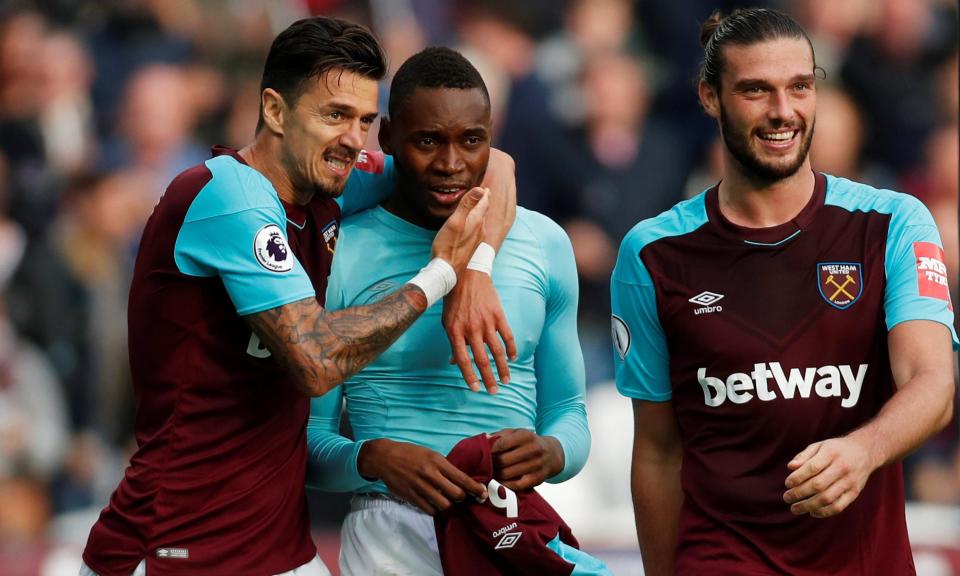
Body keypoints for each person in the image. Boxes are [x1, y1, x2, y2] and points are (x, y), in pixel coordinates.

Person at [80, 17, 517, 576]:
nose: (352, 140)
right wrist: (440, 276)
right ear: (276, 111)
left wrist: (478, 270)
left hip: (279, 550)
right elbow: (315, 361)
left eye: (363, 120)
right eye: (334, 115)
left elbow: (495, 166)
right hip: (175, 546)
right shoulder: (228, 196)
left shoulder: (329, 177)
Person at [611, 8, 957, 576]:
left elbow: (933, 384)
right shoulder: (652, 253)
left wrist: (863, 451)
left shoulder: (892, 222)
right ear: (709, 97)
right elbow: (656, 447)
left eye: (799, 87)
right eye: (755, 90)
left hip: (862, 560)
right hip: (722, 559)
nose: (783, 111)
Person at [306, 47, 606, 576]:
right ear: (389, 139)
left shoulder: (545, 243)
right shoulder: (341, 251)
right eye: (428, 141)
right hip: (389, 534)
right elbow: (308, 442)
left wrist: (551, 453)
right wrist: (371, 459)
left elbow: (570, 413)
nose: (451, 164)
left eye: (472, 141)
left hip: (510, 523)